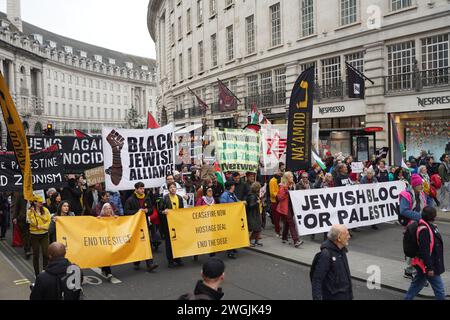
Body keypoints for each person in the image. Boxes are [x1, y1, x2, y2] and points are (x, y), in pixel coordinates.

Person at [405, 207, 445, 300]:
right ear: (432, 216)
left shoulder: (428, 225)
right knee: (440, 290)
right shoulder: (424, 230)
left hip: (423, 263)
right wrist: (429, 268)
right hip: (428, 265)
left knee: (417, 284)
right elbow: (425, 251)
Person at [399, 174, 433, 279]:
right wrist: (420, 217)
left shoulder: (422, 194)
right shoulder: (406, 195)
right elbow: (403, 211)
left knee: (420, 247)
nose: (421, 186)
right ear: (413, 185)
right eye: (419, 184)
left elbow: (425, 207)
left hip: (421, 223)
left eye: (422, 184)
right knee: (412, 247)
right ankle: (410, 270)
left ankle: (413, 269)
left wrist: (429, 216)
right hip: (411, 226)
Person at [124, 182, 159, 272]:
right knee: (137, 243)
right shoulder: (130, 200)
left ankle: (150, 264)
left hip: (145, 224)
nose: (142, 190)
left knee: (147, 242)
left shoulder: (146, 198)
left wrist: (147, 210)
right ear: (136, 189)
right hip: (135, 225)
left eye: (143, 188)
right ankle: (136, 261)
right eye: (140, 188)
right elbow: (126, 212)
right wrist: (137, 211)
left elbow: (151, 209)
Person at [311, 225, 353, 300]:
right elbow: (317, 279)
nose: (349, 237)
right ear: (339, 238)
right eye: (347, 234)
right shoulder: (326, 254)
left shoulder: (342, 250)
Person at [160, 182, 185, 268]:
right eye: (171, 188)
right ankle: (170, 260)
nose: (173, 189)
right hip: (168, 223)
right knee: (169, 242)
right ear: (168, 189)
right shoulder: (165, 198)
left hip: (177, 223)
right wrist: (164, 212)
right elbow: (160, 211)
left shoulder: (179, 198)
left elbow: (182, 210)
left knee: (178, 241)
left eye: (174, 187)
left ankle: (178, 258)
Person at [26, 195, 51, 277]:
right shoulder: (29, 211)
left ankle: (45, 272)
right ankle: (37, 274)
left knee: (45, 254)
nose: (41, 204)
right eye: (39, 202)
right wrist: (34, 213)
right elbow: (32, 222)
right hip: (34, 235)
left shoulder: (45, 210)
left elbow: (48, 221)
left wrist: (42, 226)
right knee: (36, 255)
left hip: (44, 234)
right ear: (35, 202)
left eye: (42, 202)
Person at [277, 172, 303, 248]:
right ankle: (296, 240)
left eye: (292, 176)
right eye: (290, 177)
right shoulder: (282, 186)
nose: (292, 178)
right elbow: (279, 198)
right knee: (291, 223)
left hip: (291, 206)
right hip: (285, 207)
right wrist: (285, 191)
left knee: (287, 223)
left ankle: (284, 237)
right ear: (287, 178)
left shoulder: (293, 185)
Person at [218, 181, 239, 259]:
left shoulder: (232, 194)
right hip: (228, 218)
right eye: (233, 185)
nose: (234, 187)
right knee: (229, 234)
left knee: (233, 233)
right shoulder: (224, 195)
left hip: (233, 217)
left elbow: (237, 201)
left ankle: (233, 247)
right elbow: (223, 205)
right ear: (231, 186)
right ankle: (229, 252)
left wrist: (242, 203)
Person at [97, 203, 118, 281]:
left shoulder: (113, 217)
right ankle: (109, 272)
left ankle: (104, 268)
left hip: (111, 239)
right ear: (103, 210)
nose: (108, 210)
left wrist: (117, 220)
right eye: (106, 208)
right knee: (106, 254)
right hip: (103, 240)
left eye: (110, 208)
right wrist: (97, 220)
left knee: (108, 254)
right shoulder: (100, 218)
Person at [246, 182, 263, 247]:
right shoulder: (252, 196)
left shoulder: (254, 195)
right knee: (255, 228)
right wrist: (257, 202)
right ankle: (249, 241)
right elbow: (251, 205)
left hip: (255, 213)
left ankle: (256, 241)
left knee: (258, 227)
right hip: (253, 214)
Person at [269, 169, 282, 237]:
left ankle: (281, 230)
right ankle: (277, 231)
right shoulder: (272, 181)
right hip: (275, 201)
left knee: (281, 217)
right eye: (278, 171)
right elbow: (272, 192)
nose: (280, 172)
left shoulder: (281, 179)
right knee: (276, 217)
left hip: (280, 200)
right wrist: (278, 195)